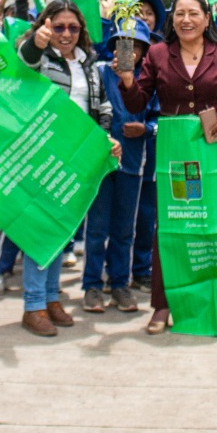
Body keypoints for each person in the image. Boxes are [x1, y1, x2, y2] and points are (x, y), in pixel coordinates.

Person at [118, 0, 217, 335]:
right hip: (175, 156)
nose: (186, 20)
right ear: (171, 19)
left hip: (216, 152)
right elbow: (137, 102)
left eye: (193, 13)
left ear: (207, 18)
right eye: (179, 13)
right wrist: (125, 78)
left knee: (215, 223)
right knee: (172, 224)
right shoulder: (158, 53)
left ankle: (212, 299)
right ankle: (163, 304)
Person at [17, 0, 121, 336]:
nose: (66, 33)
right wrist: (37, 41)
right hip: (43, 155)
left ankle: (50, 298)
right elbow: (25, 59)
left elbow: (102, 105)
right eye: (58, 26)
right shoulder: (39, 59)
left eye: (72, 27)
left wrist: (103, 138)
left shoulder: (89, 63)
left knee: (60, 231)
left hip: (77, 159)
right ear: (45, 25)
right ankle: (33, 304)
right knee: (39, 230)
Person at [85, 18, 155, 314]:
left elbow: (160, 119)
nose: (129, 51)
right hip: (101, 164)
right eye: (123, 44)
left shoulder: (148, 80)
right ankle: (91, 285)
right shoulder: (98, 73)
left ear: (143, 51)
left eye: (136, 46)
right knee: (97, 227)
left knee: (125, 229)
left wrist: (146, 129)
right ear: (113, 47)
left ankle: (120, 284)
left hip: (132, 163)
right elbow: (86, 111)